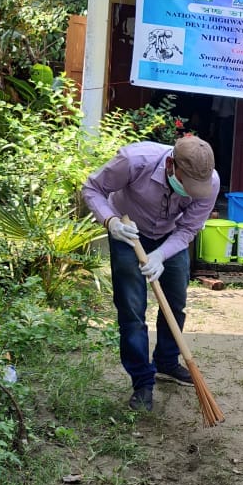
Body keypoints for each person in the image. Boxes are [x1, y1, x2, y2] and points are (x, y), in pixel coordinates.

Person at [82, 137, 218, 412]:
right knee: (132, 309)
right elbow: (92, 188)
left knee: (175, 302)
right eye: (186, 184)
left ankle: (167, 362)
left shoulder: (210, 183)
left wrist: (160, 254)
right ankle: (142, 381)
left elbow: (188, 229)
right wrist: (110, 222)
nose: (190, 192)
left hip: (170, 235)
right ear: (171, 165)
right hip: (127, 230)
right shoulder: (134, 161)